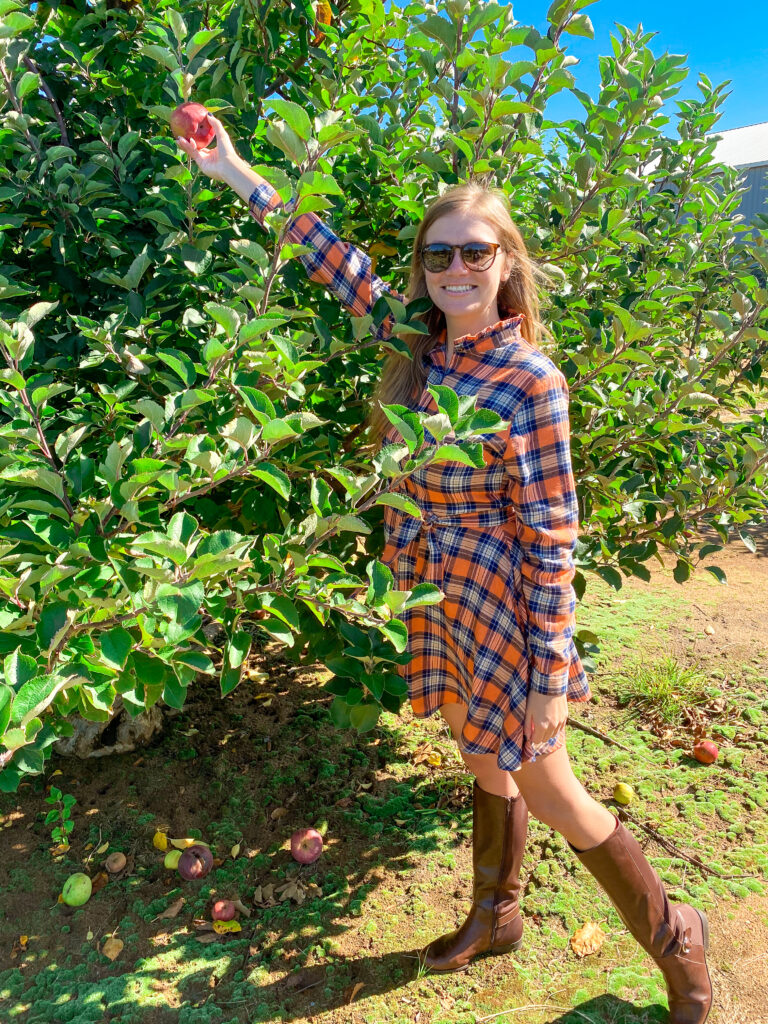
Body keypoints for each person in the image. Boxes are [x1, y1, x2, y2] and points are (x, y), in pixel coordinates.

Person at [176, 116, 712, 1023]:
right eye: (436, 257)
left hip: (504, 601)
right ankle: (494, 915)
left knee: (553, 786)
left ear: (507, 263)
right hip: (438, 590)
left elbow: (551, 531)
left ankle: (677, 934)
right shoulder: (421, 345)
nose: (453, 271)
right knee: (475, 752)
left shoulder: (530, 380)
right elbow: (329, 256)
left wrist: (549, 672)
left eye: (474, 253)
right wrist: (232, 171)